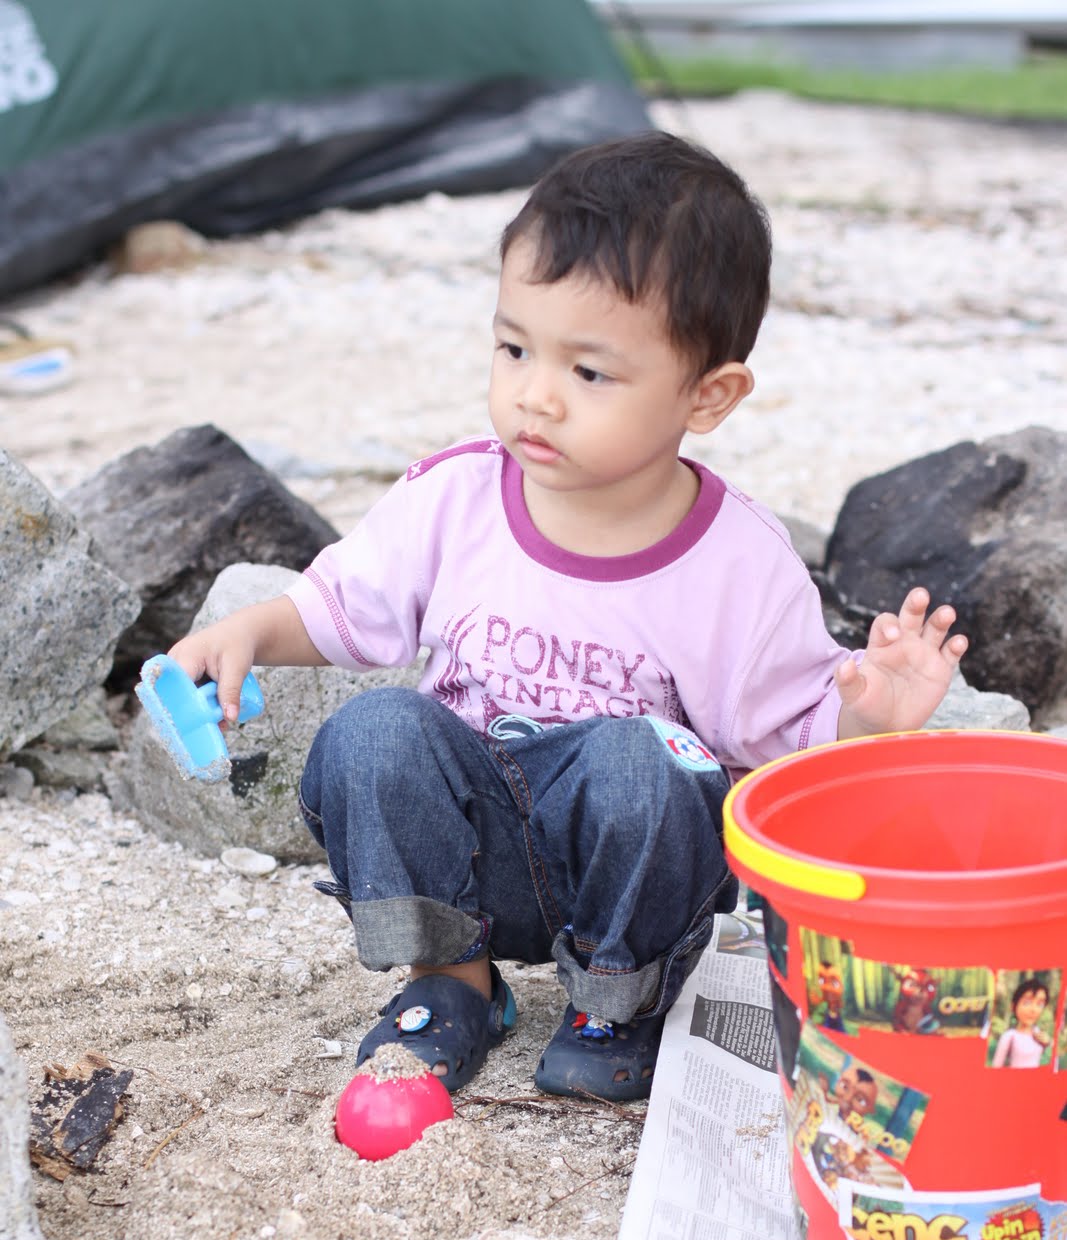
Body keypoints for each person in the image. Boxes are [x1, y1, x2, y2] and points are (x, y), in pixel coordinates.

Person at [166, 131, 968, 1103]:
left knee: (644, 759)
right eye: (513, 348)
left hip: (628, 870)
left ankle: (614, 1004)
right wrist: (250, 631)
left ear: (706, 395)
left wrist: (866, 715)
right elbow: (343, 605)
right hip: (472, 851)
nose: (534, 396)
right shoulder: (455, 497)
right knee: (372, 730)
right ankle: (452, 984)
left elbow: (784, 727)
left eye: (588, 373)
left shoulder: (738, 563)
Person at [991, 978, 1052, 1068]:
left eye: (1039, 1004)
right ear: (1013, 1006)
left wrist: (1048, 1043)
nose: (1033, 1010)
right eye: (1027, 1003)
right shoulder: (1010, 1036)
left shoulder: (1038, 1033)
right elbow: (996, 1066)